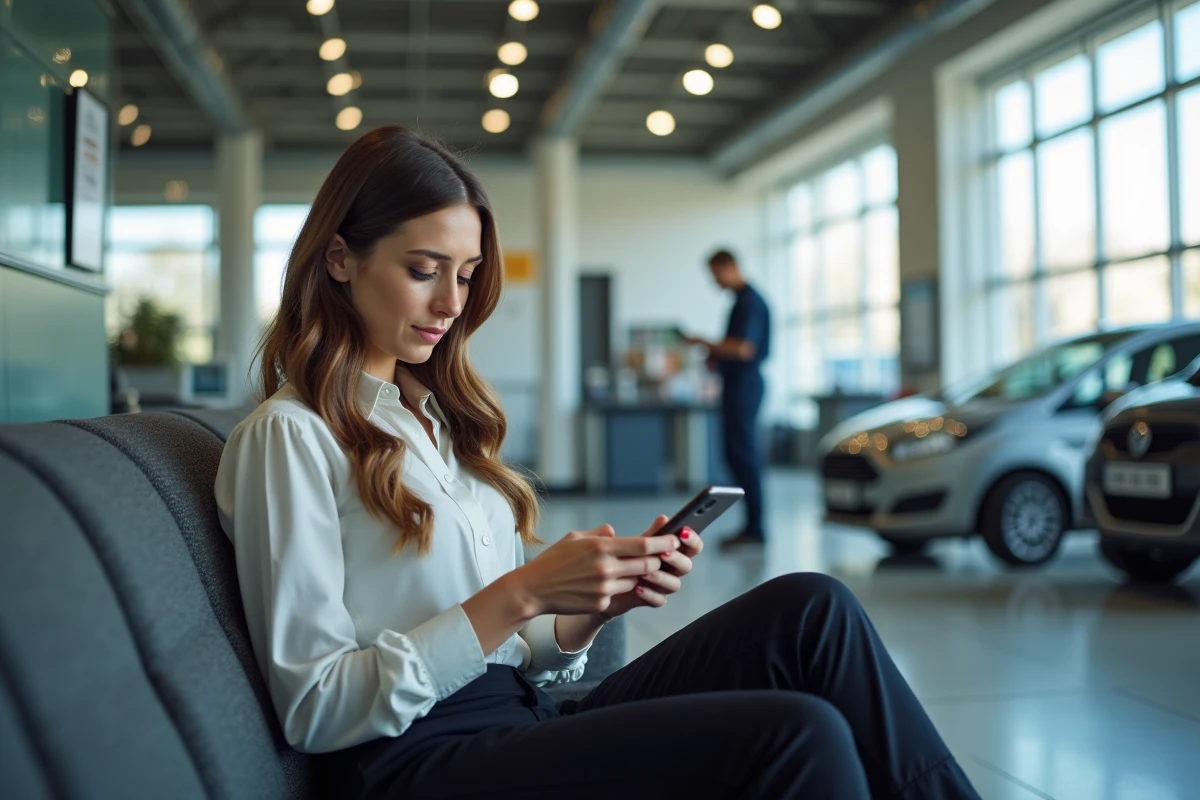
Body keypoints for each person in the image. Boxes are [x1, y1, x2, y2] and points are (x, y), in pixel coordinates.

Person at [214, 126, 980, 799]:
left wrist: (591, 610)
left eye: (469, 272)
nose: (452, 302)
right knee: (796, 734)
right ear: (341, 259)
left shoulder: (435, 424)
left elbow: (509, 658)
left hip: (516, 716)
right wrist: (519, 593)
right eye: (424, 269)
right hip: (417, 761)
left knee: (814, 611)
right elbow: (315, 706)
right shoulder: (289, 437)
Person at [680, 250, 771, 550]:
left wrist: (703, 342)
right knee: (736, 456)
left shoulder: (749, 302)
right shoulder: (742, 301)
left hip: (744, 386)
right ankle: (751, 525)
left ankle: (755, 529)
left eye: (715, 274)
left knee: (744, 457)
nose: (714, 281)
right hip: (737, 385)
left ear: (729, 266)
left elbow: (742, 349)